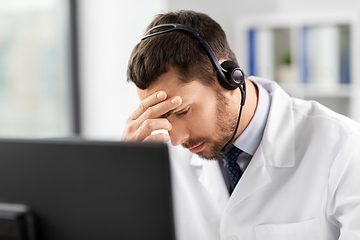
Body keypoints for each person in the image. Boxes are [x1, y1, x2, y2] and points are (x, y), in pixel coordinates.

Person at [122, 10, 360, 240]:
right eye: (163, 119)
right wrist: (123, 181)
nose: (177, 139)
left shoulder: (344, 146)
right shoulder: (164, 158)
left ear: (228, 78)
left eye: (183, 111)